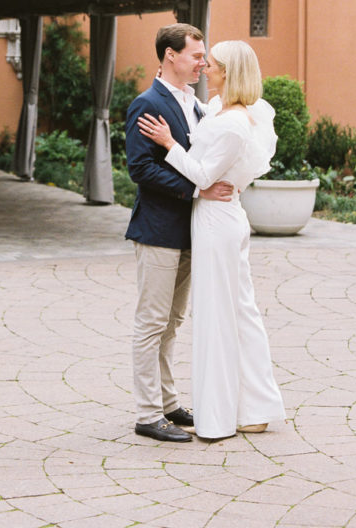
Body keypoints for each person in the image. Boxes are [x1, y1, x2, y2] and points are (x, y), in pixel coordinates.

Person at [138, 39, 286, 441]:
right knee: (235, 310)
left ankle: (225, 415)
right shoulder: (218, 108)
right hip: (216, 218)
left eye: (213, 63)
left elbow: (204, 176)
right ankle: (251, 408)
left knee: (221, 314)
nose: (206, 67)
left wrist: (169, 143)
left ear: (230, 72)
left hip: (217, 221)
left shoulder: (234, 123)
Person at [125, 24, 234, 443]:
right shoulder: (147, 103)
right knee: (151, 323)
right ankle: (147, 413)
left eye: (204, 57)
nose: (202, 63)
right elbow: (140, 168)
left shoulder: (198, 106)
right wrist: (195, 190)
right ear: (170, 55)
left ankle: (169, 403)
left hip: (191, 231)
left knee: (172, 323)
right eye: (196, 55)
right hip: (158, 230)